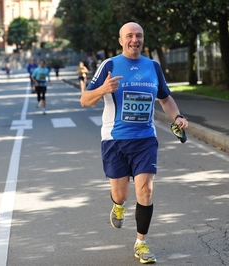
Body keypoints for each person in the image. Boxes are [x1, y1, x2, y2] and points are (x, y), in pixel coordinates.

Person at [80, 22, 189, 264]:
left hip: (145, 139)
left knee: (146, 189)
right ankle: (118, 205)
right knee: (121, 194)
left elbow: (165, 98)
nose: (134, 40)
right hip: (114, 139)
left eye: (138, 35)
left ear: (143, 39)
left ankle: (141, 242)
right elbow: (84, 100)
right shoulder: (109, 65)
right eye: (129, 36)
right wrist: (103, 89)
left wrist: (178, 116)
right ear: (121, 40)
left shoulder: (153, 67)